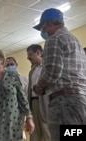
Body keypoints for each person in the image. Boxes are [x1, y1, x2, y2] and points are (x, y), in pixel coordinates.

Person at [33, 8, 86, 141]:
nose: (43, 31)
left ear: (49, 22)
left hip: (64, 103)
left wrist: (40, 86)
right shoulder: (75, 41)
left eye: (42, 27)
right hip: (79, 100)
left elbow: (52, 72)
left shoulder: (54, 39)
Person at [26, 44, 50, 141]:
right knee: (35, 133)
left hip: (46, 103)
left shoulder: (49, 68)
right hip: (33, 103)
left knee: (47, 131)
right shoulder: (32, 71)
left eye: (30, 54)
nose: (28, 57)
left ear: (38, 53)